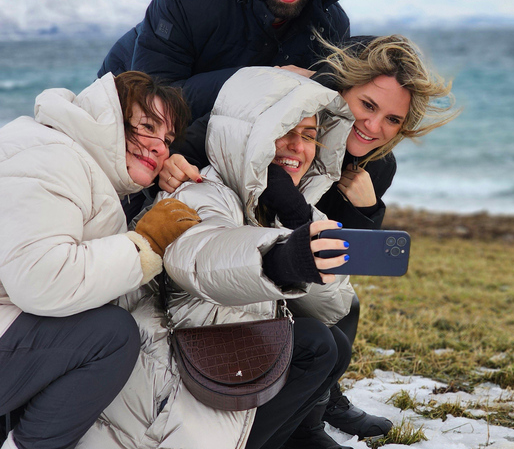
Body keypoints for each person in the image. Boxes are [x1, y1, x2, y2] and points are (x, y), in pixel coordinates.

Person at [171, 34, 458, 443]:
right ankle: (301, 415)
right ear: (341, 91)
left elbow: (344, 256)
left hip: (293, 257)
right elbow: (214, 141)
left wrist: (366, 211)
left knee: (343, 309)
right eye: (368, 106)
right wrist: (172, 161)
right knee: (316, 334)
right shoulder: (290, 114)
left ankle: (319, 406)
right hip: (227, 258)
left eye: (393, 120)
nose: (374, 127)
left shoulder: (376, 167)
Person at [77, 67, 360, 449]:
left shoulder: (293, 209)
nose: (297, 146)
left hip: (229, 356)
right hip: (173, 366)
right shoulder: (200, 190)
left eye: (309, 136)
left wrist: (297, 219)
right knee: (315, 344)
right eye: (284, 132)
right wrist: (280, 257)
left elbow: (335, 303)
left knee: (331, 343)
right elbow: (199, 257)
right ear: (249, 137)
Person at [0, 72, 198, 449]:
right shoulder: (54, 156)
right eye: (146, 126)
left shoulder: (68, 153)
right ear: (108, 116)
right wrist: (144, 246)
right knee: (111, 336)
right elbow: (42, 280)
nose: (158, 148)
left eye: (167, 140)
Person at [97, 0, 365, 118]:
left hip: (224, 128)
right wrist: (267, 80)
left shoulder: (329, 26)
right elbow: (154, 95)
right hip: (125, 98)